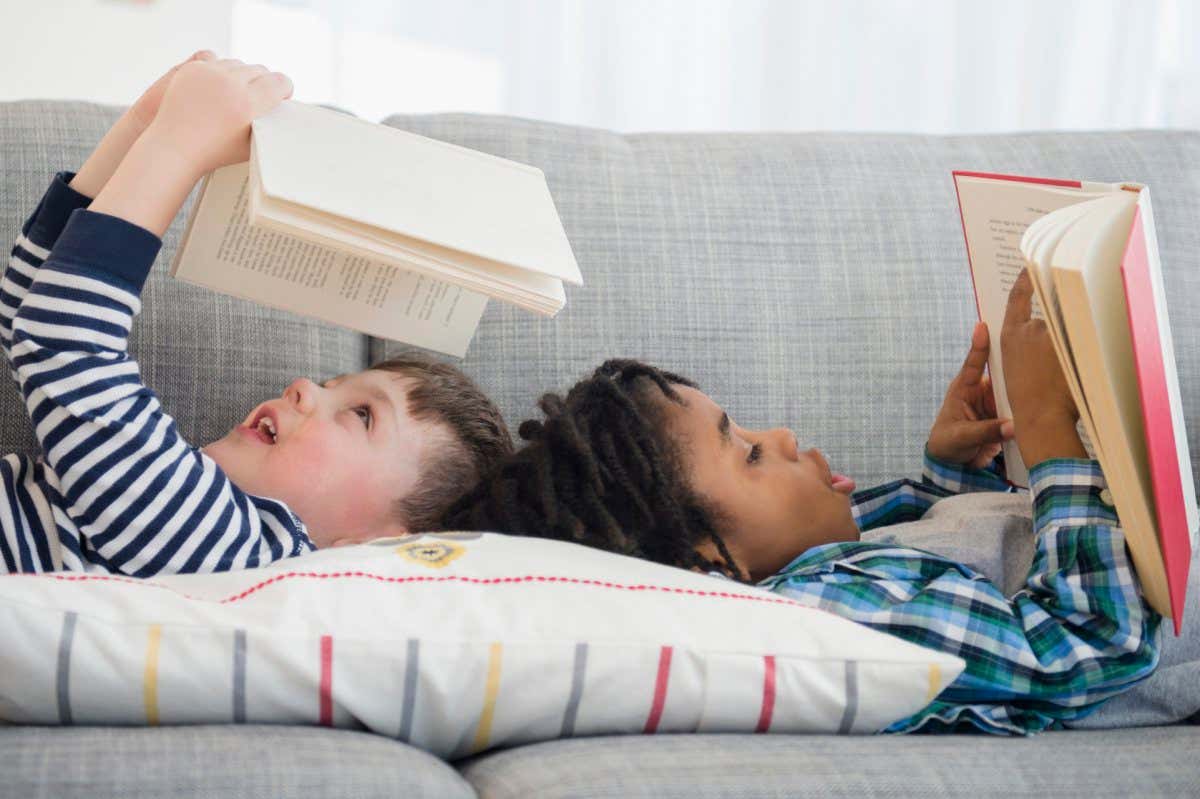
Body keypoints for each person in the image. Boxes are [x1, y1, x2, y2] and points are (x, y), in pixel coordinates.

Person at [437, 270, 1161, 735]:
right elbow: (1088, 643)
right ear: (712, 568)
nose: (782, 435)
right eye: (748, 453)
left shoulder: (817, 557)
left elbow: (936, 561)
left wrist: (950, 473)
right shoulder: (833, 616)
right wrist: (1052, 444)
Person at [0, 51, 511, 576]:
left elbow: (65, 348)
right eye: (334, 384)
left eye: (362, 414)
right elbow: (26, 324)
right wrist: (141, 129)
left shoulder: (240, 558)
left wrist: (178, 145)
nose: (303, 387)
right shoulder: (189, 494)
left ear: (378, 544)